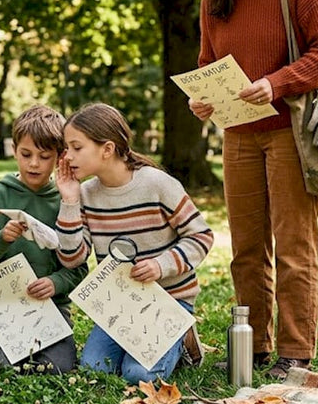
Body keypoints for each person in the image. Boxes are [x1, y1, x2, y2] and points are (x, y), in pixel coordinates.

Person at [189, 0, 318, 380]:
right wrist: (203, 98)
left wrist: (276, 82)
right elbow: (207, 64)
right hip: (238, 135)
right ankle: (253, 345)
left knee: (294, 245)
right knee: (247, 248)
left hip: (289, 133)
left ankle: (295, 352)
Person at [55, 102, 215, 384]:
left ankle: (182, 336)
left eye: (76, 147)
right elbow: (72, 258)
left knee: (139, 375)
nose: (67, 156)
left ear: (107, 149)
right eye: (67, 148)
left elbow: (201, 236)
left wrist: (161, 265)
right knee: (95, 370)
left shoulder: (157, 184)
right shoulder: (86, 194)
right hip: (121, 305)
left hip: (169, 302)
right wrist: (69, 201)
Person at [0, 105, 88, 374]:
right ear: (14, 150)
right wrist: (2, 238)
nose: (33, 163)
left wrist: (55, 283)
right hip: (5, 308)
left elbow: (79, 267)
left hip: (52, 311)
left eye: (44, 156)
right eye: (26, 154)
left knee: (58, 368)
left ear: (60, 157)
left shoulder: (67, 201)